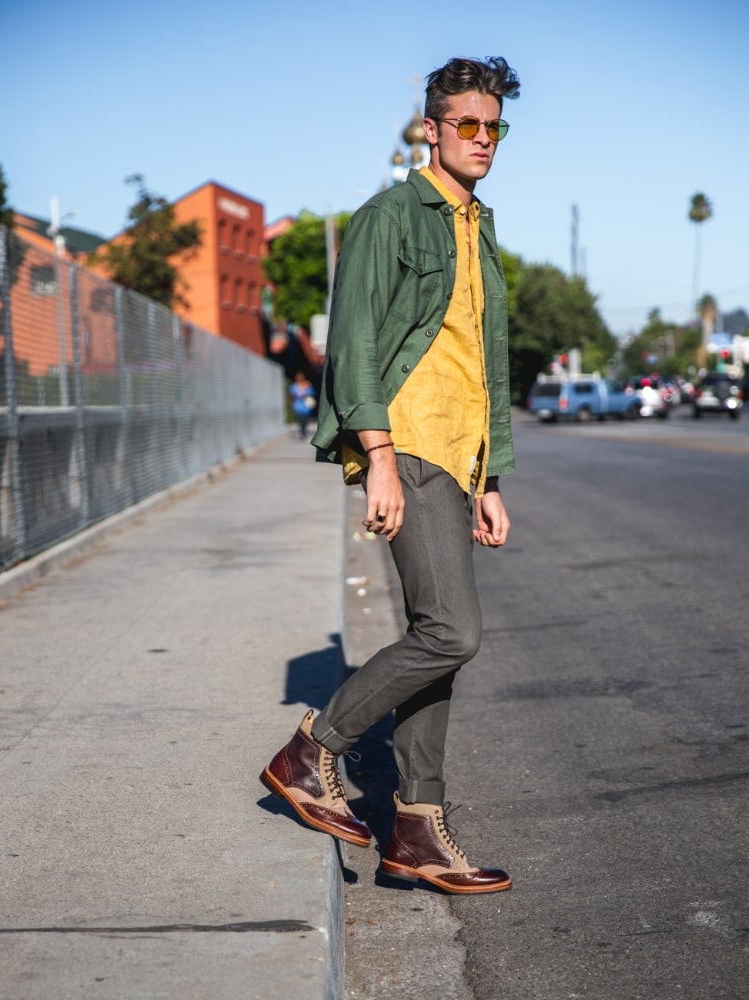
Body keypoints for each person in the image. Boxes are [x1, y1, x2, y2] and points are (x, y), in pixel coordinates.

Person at [261, 56, 520, 894]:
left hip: (456, 454)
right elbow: (358, 344)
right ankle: (310, 752)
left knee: (436, 640)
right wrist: (376, 459)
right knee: (452, 632)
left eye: (494, 126)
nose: (483, 140)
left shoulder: (477, 226)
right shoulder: (390, 217)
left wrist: (489, 475)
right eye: (467, 126)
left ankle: (416, 829)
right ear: (431, 129)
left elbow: (487, 364)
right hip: (407, 446)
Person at [289, 371, 316, 438]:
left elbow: (312, 393)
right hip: (298, 405)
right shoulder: (294, 386)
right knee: (300, 419)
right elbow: (291, 394)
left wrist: (306, 394)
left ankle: (304, 430)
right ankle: (302, 431)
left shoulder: (307, 384)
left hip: (306, 405)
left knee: (305, 419)